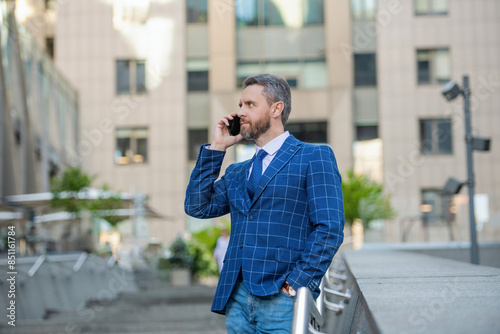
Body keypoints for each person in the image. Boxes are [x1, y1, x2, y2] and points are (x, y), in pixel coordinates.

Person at [185, 74, 344, 333]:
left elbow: (330, 229)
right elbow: (197, 207)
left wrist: (296, 284)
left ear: (276, 109)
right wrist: (217, 148)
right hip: (237, 298)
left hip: (282, 300)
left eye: (250, 105)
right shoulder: (238, 172)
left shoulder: (314, 156)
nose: (240, 113)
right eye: (240, 105)